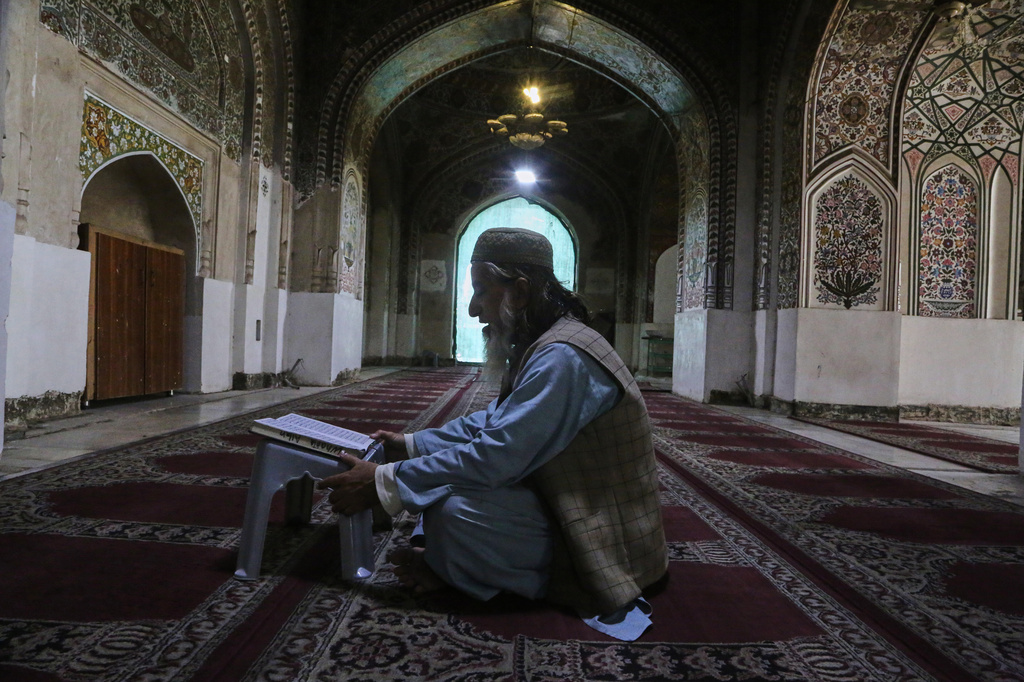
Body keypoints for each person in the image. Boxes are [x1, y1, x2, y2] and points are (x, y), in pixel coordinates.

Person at [317, 227, 667, 636]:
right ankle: (457, 565)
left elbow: (496, 455)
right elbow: (496, 421)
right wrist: (412, 446)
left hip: (604, 531)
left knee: (453, 512)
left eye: (481, 291)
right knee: (438, 490)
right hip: (566, 498)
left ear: (519, 292)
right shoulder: (547, 342)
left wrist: (382, 481)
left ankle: (493, 573)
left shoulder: (563, 357)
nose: (472, 309)